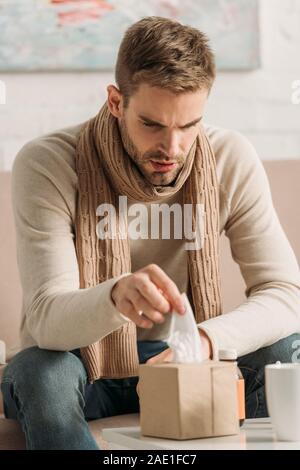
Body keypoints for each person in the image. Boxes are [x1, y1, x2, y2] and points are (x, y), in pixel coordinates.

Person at [1, 16, 300, 450]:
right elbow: (46, 318)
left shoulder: (228, 158)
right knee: (37, 371)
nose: (173, 148)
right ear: (116, 102)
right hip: (85, 366)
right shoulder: (49, 163)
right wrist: (114, 296)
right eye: (153, 124)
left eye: (189, 125)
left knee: (286, 351)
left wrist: (204, 339)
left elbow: (286, 292)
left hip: (183, 359)